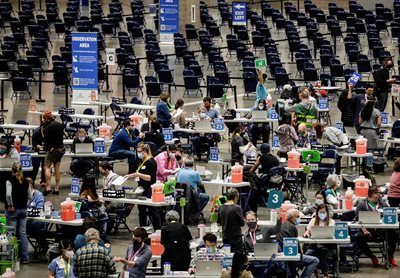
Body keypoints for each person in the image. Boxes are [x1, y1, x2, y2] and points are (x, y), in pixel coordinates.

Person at [355, 186, 397, 266]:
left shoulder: (382, 203)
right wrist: (364, 230)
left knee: (393, 233)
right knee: (358, 236)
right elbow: (358, 220)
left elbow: (389, 213)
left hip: (381, 231)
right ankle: (372, 256)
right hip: (367, 231)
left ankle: (390, 255)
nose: (381, 195)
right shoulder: (362, 204)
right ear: (373, 194)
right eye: (379, 193)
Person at [125, 143, 161, 230]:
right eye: (137, 152)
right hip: (141, 188)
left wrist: (138, 174)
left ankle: (158, 229)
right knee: (141, 210)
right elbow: (139, 173)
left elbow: (150, 178)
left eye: (140, 152)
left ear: (145, 152)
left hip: (149, 188)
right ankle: (142, 229)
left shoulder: (151, 162)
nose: (138, 154)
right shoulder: (141, 161)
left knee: (152, 210)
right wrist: (130, 175)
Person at [276, 209, 319, 278]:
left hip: (284, 256)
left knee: (308, 253)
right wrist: (301, 254)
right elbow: (294, 245)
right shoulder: (292, 227)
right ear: (292, 217)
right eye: (298, 216)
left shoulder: (283, 225)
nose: (299, 218)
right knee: (315, 260)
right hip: (291, 257)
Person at [6, 162, 31, 264]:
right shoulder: (26, 181)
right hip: (23, 210)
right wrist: (26, 204)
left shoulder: (10, 181)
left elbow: (8, 194)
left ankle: (10, 257)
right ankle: (25, 257)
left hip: (13, 210)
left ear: (12, 170)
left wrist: (11, 205)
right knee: (23, 233)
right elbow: (30, 196)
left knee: (11, 233)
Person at [303, 204, 335, 278]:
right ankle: (312, 271)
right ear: (317, 213)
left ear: (327, 212)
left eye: (324, 212)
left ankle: (325, 274)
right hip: (314, 245)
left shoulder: (331, 221)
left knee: (322, 253)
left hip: (327, 246)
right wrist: (307, 233)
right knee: (307, 254)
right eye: (320, 212)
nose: (322, 214)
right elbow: (308, 231)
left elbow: (333, 234)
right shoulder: (313, 221)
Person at [40, 111, 65, 195]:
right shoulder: (59, 125)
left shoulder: (48, 127)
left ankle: (48, 187)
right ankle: (57, 188)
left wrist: (48, 147)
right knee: (57, 168)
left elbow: (46, 140)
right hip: (60, 149)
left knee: (46, 167)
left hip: (52, 150)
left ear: (46, 118)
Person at [218, 189, 245, 253]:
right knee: (237, 256)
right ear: (236, 197)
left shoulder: (221, 207)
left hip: (225, 237)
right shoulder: (237, 208)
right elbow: (242, 223)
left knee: (227, 254)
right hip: (235, 237)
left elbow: (219, 222)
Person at [359, 100, 381, 169]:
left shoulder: (362, 111)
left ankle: (363, 164)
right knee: (370, 150)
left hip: (363, 132)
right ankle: (369, 165)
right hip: (372, 132)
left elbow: (360, 122)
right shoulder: (377, 111)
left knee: (363, 149)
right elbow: (379, 123)